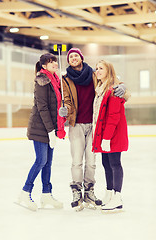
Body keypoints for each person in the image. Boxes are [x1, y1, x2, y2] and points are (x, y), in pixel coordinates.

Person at [59, 48, 128, 211]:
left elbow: (112, 83)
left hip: (94, 125)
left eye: (76, 55)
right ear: (68, 61)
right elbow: (67, 100)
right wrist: (65, 111)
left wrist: (124, 88)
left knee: (91, 162)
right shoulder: (66, 79)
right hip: (76, 124)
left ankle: (90, 191)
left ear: (81, 58)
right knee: (77, 161)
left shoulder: (93, 75)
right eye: (70, 56)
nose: (73, 58)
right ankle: (77, 191)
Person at [17, 53, 66, 211]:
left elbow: (55, 106)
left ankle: (46, 194)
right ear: (44, 65)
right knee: (41, 161)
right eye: (51, 62)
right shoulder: (42, 80)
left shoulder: (55, 81)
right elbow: (42, 107)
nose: (55, 64)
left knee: (48, 163)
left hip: (50, 127)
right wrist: (51, 131)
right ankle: (25, 192)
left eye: (55, 62)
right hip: (41, 128)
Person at [92, 60, 129, 212]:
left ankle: (117, 197)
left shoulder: (114, 90)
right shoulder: (100, 89)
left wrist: (106, 138)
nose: (97, 70)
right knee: (106, 164)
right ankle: (109, 193)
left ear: (109, 71)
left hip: (112, 134)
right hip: (104, 134)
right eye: (96, 68)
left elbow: (113, 117)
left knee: (115, 164)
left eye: (101, 68)